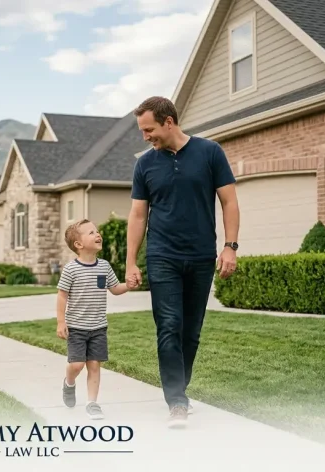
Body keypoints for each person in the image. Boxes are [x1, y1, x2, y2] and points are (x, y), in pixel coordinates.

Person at [126, 96, 240, 429]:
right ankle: (176, 400)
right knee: (169, 326)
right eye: (143, 131)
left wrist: (230, 246)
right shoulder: (145, 164)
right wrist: (132, 261)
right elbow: (137, 214)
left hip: (202, 255)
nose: (146, 136)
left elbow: (229, 201)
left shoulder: (210, 152)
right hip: (162, 256)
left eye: (149, 129)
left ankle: (180, 391)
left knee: (190, 331)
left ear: (168, 121)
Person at [57, 218, 137, 420]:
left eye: (97, 230)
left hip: (98, 327)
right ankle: (69, 382)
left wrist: (128, 285)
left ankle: (92, 403)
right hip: (76, 327)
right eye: (91, 232)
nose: (97, 234)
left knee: (94, 366)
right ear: (78, 244)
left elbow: (115, 289)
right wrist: (61, 321)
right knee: (76, 365)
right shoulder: (71, 269)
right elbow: (62, 295)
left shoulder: (104, 266)